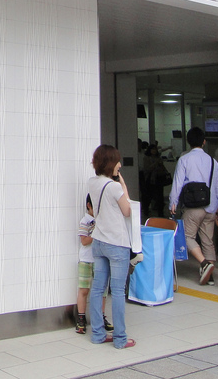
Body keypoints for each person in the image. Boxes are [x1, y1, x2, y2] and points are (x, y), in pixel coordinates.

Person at [86, 145, 136, 349]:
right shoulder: (114, 187)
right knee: (116, 291)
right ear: (111, 163)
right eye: (117, 162)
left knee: (98, 289)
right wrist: (122, 183)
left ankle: (97, 334)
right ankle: (120, 338)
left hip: (98, 242)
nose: (120, 165)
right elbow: (127, 210)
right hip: (117, 243)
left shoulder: (92, 182)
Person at [169, 126, 218, 286]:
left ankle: (204, 263)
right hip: (210, 207)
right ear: (204, 142)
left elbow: (178, 183)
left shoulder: (184, 159)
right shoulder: (213, 162)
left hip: (193, 207)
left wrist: (173, 202)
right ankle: (210, 275)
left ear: (188, 142)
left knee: (187, 236)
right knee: (208, 240)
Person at [75, 195, 110, 335]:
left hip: (101, 259)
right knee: (84, 289)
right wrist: (97, 232)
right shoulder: (85, 221)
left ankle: (101, 317)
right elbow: (83, 241)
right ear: (89, 205)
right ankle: (81, 318)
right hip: (86, 259)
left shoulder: (103, 220)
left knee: (103, 291)